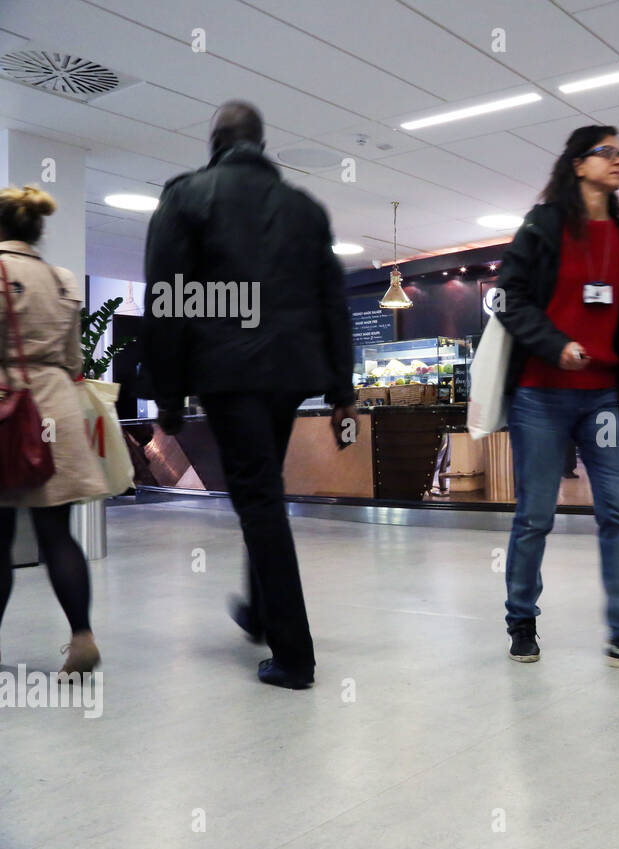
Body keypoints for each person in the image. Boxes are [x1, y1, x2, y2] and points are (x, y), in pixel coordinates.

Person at [142, 101, 358, 690]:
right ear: (263, 145)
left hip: (228, 371)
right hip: (291, 375)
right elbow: (333, 305)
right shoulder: (306, 209)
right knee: (263, 489)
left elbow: (166, 299)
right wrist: (342, 389)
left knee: (258, 499)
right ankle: (262, 612)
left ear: (215, 142)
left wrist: (165, 396)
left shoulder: (186, 197)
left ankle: (294, 655)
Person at [493, 125, 619, 673]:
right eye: (608, 153)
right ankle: (521, 618)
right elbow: (508, 297)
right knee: (535, 515)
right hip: (540, 394)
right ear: (578, 164)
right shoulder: (544, 224)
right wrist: (556, 345)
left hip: (604, 396)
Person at [0, 186, 110, 673]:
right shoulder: (61, 279)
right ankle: (82, 638)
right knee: (57, 534)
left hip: (5, 407)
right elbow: (72, 360)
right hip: (54, 411)